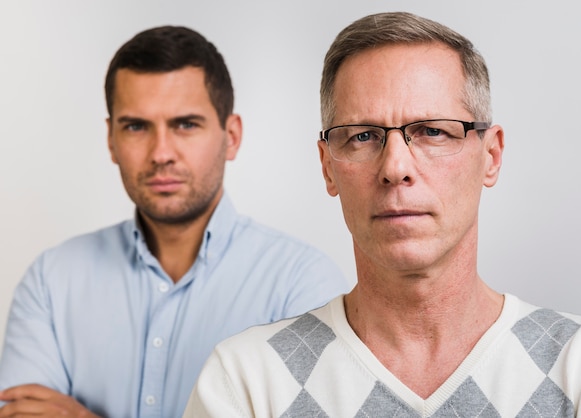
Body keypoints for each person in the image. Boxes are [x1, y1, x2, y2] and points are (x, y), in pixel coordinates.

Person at [183, 11, 581, 418]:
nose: (395, 168)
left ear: (491, 155)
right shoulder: (246, 381)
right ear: (327, 166)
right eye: (361, 136)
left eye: (432, 131)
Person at [0, 26, 350, 418]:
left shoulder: (302, 288)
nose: (161, 153)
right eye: (136, 126)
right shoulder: (51, 282)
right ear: (111, 140)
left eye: (185, 124)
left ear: (231, 136)